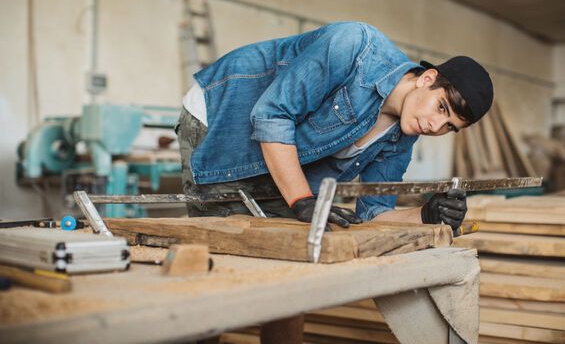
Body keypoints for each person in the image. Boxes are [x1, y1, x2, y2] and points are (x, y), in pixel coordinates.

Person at [176, 21, 493, 231]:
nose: (434, 125)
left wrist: (426, 216)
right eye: (441, 107)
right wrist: (302, 200)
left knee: (295, 255)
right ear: (427, 79)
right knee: (220, 248)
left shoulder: (403, 134)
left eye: (449, 126)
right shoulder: (354, 46)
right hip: (221, 114)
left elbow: (373, 212)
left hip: (276, 149)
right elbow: (273, 115)